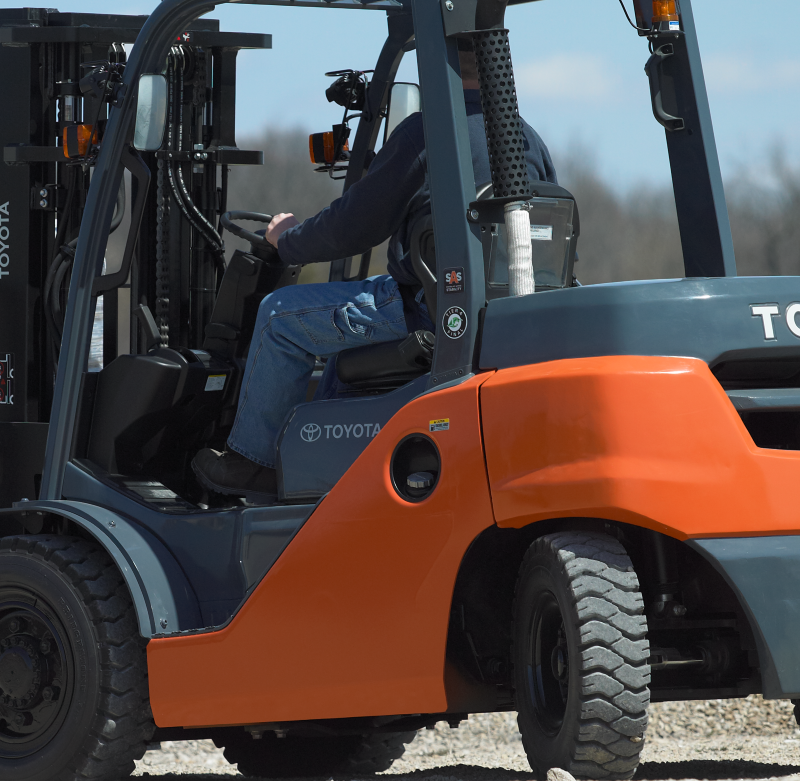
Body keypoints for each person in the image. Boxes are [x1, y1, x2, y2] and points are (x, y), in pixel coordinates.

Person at [190, 47, 556, 499]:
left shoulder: (429, 132)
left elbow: (352, 227)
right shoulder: (526, 139)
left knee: (280, 316)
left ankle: (252, 462)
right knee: (337, 340)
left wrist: (288, 240)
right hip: (504, 317)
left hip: (428, 309)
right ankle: (313, 460)